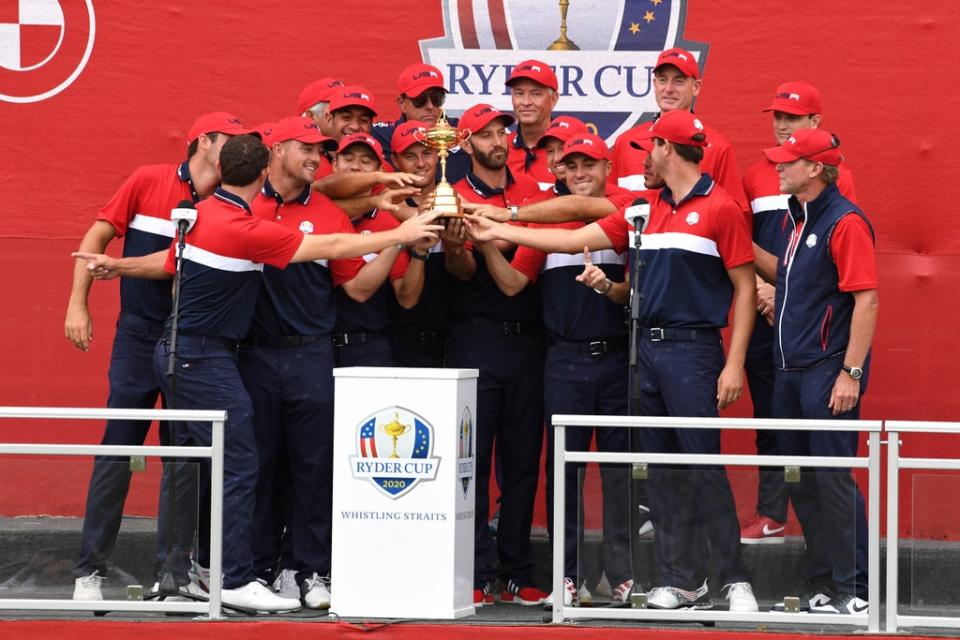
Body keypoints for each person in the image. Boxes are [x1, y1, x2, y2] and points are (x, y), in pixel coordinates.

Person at [73, 134, 443, 612]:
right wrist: (401, 234)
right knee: (240, 462)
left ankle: (201, 574)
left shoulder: (204, 213)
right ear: (266, 170)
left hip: (192, 353)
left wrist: (116, 265)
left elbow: (169, 262)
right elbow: (328, 243)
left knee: (203, 460)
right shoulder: (243, 227)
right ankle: (232, 577)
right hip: (202, 356)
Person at [463, 109, 760, 613]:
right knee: (661, 472)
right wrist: (501, 227)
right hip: (645, 351)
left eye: (651, 148)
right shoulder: (645, 207)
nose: (644, 157)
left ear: (668, 149)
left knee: (702, 466)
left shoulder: (721, 207)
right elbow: (568, 237)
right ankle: (682, 581)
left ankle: (734, 580)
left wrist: (734, 364)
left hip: (694, 350)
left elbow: (746, 287)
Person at [65, 112, 247, 601]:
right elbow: (97, 239)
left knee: (185, 456)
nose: (235, 147)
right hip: (139, 334)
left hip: (194, 340)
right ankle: (90, 573)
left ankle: (174, 576)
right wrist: (77, 302)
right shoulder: (148, 180)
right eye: (228, 138)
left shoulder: (234, 197)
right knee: (118, 448)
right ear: (203, 141)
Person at [478, 133, 634, 606]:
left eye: (590, 164)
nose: (581, 172)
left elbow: (633, 295)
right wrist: (486, 243)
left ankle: (619, 575)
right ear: (559, 172)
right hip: (563, 360)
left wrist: (607, 286)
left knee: (618, 472)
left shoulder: (625, 209)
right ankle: (568, 577)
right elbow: (512, 285)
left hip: (616, 357)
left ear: (607, 167)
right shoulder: (543, 222)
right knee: (564, 472)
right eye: (571, 166)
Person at [759, 128, 877, 615]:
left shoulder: (844, 221)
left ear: (815, 169)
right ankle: (824, 581)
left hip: (826, 372)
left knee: (831, 478)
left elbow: (866, 299)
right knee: (799, 479)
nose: (779, 167)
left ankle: (857, 589)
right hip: (788, 371)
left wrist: (850, 372)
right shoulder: (795, 218)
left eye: (789, 161)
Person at [740, 81, 858, 545]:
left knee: (816, 436)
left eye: (792, 117)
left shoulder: (833, 178)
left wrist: (785, 290)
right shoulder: (755, 175)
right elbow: (738, 250)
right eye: (777, 116)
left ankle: (836, 554)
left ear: (815, 123)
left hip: (811, 325)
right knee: (770, 419)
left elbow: (834, 259)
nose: (781, 124)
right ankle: (773, 511)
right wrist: (765, 290)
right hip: (765, 312)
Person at [446, 103, 546, 607]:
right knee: (470, 461)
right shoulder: (453, 196)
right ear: (465, 144)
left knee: (523, 463)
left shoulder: (529, 195)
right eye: (485, 134)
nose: (497, 140)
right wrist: (456, 245)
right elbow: (460, 274)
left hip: (527, 339)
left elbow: (514, 284)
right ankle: (477, 570)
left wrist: (487, 240)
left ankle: (516, 567)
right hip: (472, 338)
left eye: (502, 131)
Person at [609, 47, 747, 210]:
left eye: (678, 81)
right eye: (662, 80)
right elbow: (608, 206)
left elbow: (736, 216)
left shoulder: (718, 147)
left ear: (696, 87)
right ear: (654, 84)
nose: (668, 89)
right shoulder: (627, 142)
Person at [331, 133, 425, 366]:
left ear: (379, 170)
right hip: (315, 347)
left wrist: (418, 252)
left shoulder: (388, 222)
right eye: (348, 158)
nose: (355, 167)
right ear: (334, 164)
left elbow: (407, 298)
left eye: (365, 161)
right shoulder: (317, 212)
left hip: (367, 347)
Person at [385, 120, 465, 367]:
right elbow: (406, 300)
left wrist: (455, 249)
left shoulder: (457, 204)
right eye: (410, 156)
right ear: (396, 160)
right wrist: (419, 247)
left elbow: (467, 275)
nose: (421, 163)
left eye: (427, 153)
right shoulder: (388, 212)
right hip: (402, 344)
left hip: (456, 342)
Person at [371, 63, 472, 184]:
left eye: (436, 98)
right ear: (402, 103)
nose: (430, 106)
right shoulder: (380, 135)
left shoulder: (465, 131)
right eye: (420, 100)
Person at [505, 60, 560, 190]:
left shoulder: (572, 150)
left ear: (553, 99)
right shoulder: (498, 149)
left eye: (536, 94)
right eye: (519, 93)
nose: (526, 102)